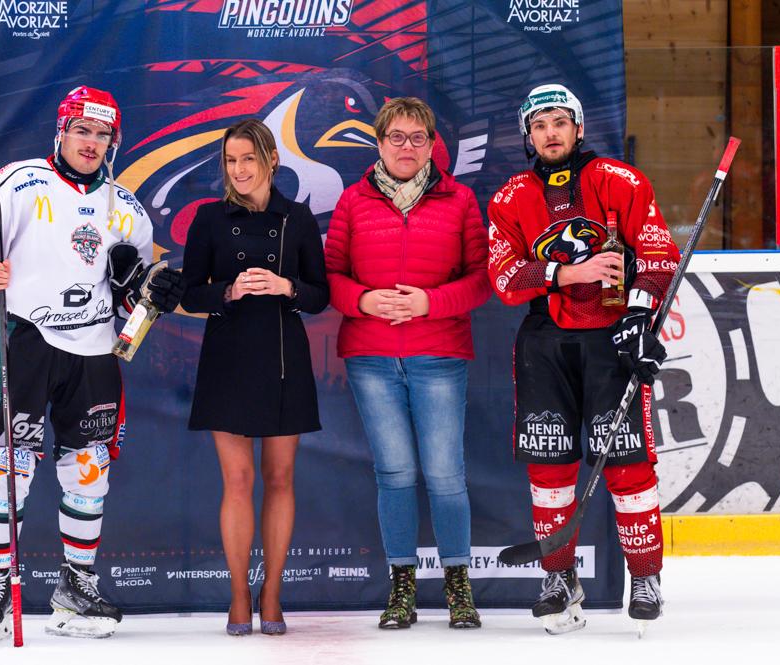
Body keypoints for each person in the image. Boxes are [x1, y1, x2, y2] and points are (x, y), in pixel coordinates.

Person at [0, 86, 185, 641]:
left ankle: (76, 585)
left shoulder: (127, 210)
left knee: (89, 473)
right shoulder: (19, 181)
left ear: (114, 140)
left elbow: (134, 306)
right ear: (61, 132)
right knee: (7, 467)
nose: (91, 142)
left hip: (96, 352)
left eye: (102, 133)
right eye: (82, 130)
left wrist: (151, 293)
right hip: (28, 341)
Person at [487, 83, 680, 634]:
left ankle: (645, 577)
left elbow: (659, 254)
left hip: (612, 340)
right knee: (551, 472)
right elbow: (504, 278)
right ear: (528, 135)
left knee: (629, 468)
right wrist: (567, 273)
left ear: (578, 128)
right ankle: (559, 577)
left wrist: (641, 317)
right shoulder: (509, 197)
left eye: (559, 122)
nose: (550, 133)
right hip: (545, 342)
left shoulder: (619, 182)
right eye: (539, 125)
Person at [324, 97, 490, 630]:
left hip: (438, 354)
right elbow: (329, 277)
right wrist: (365, 301)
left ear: (432, 144)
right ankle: (402, 589)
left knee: (445, 474)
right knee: (394, 474)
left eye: (417, 137)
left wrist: (427, 302)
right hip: (371, 358)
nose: (407, 147)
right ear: (378, 142)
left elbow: (482, 278)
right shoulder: (353, 201)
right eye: (396, 136)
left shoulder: (460, 200)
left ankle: (458, 587)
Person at [181, 118, 329, 636]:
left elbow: (320, 295)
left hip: (285, 360)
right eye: (230, 160)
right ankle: (239, 594)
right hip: (229, 359)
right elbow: (188, 293)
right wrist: (228, 290)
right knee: (238, 481)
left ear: (271, 161)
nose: (239, 170)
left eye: (248, 159)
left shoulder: (298, 220)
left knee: (280, 479)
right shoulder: (209, 219)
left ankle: (272, 594)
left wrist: (287, 286)